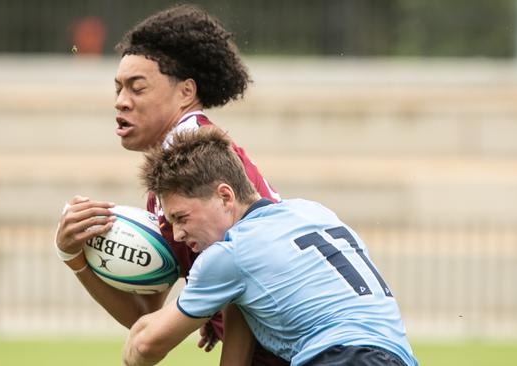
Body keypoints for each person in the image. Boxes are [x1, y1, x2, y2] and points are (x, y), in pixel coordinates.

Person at [53, 4, 286, 365]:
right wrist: (75, 256)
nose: (121, 102)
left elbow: (247, 277)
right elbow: (146, 316)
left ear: (185, 92)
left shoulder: (201, 162)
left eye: (137, 88)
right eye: (118, 88)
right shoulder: (172, 176)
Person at [123, 128, 418, 366]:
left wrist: (132, 348)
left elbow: (148, 345)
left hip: (339, 358)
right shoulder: (311, 211)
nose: (177, 233)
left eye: (181, 217)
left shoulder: (230, 254)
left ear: (225, 196)